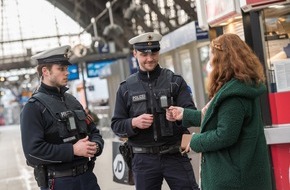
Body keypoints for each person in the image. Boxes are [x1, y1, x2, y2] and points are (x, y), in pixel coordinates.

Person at [167, 33, 273, 190]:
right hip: (241, 173)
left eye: (212, 58)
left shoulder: (233, 96)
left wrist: (194, 141)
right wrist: (185, 114)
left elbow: (224, 136)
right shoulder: (241, 87)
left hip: (233, 179)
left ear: (222, 61)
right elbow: (220, 118)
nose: (210, 62)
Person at [111, 32, 200, 190]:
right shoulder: (125, 88)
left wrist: (179, 116)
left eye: (154, 52)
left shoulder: (175, 82)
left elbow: (192, 115)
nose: (150, 58)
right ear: (135, 54)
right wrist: (134, 123)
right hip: (143, 160)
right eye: (144, 54)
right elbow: (116, 125)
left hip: (175, 155)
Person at [20, 45, 104, 190]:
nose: (67, 73)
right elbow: (32, 152)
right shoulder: (33, 108)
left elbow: (93, 131)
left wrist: (96, 146)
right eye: (61, 69)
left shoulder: (72, 101)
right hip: (59, 182)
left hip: (87, 178)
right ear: (45, 71)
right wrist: (72, 150)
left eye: (66, 68)